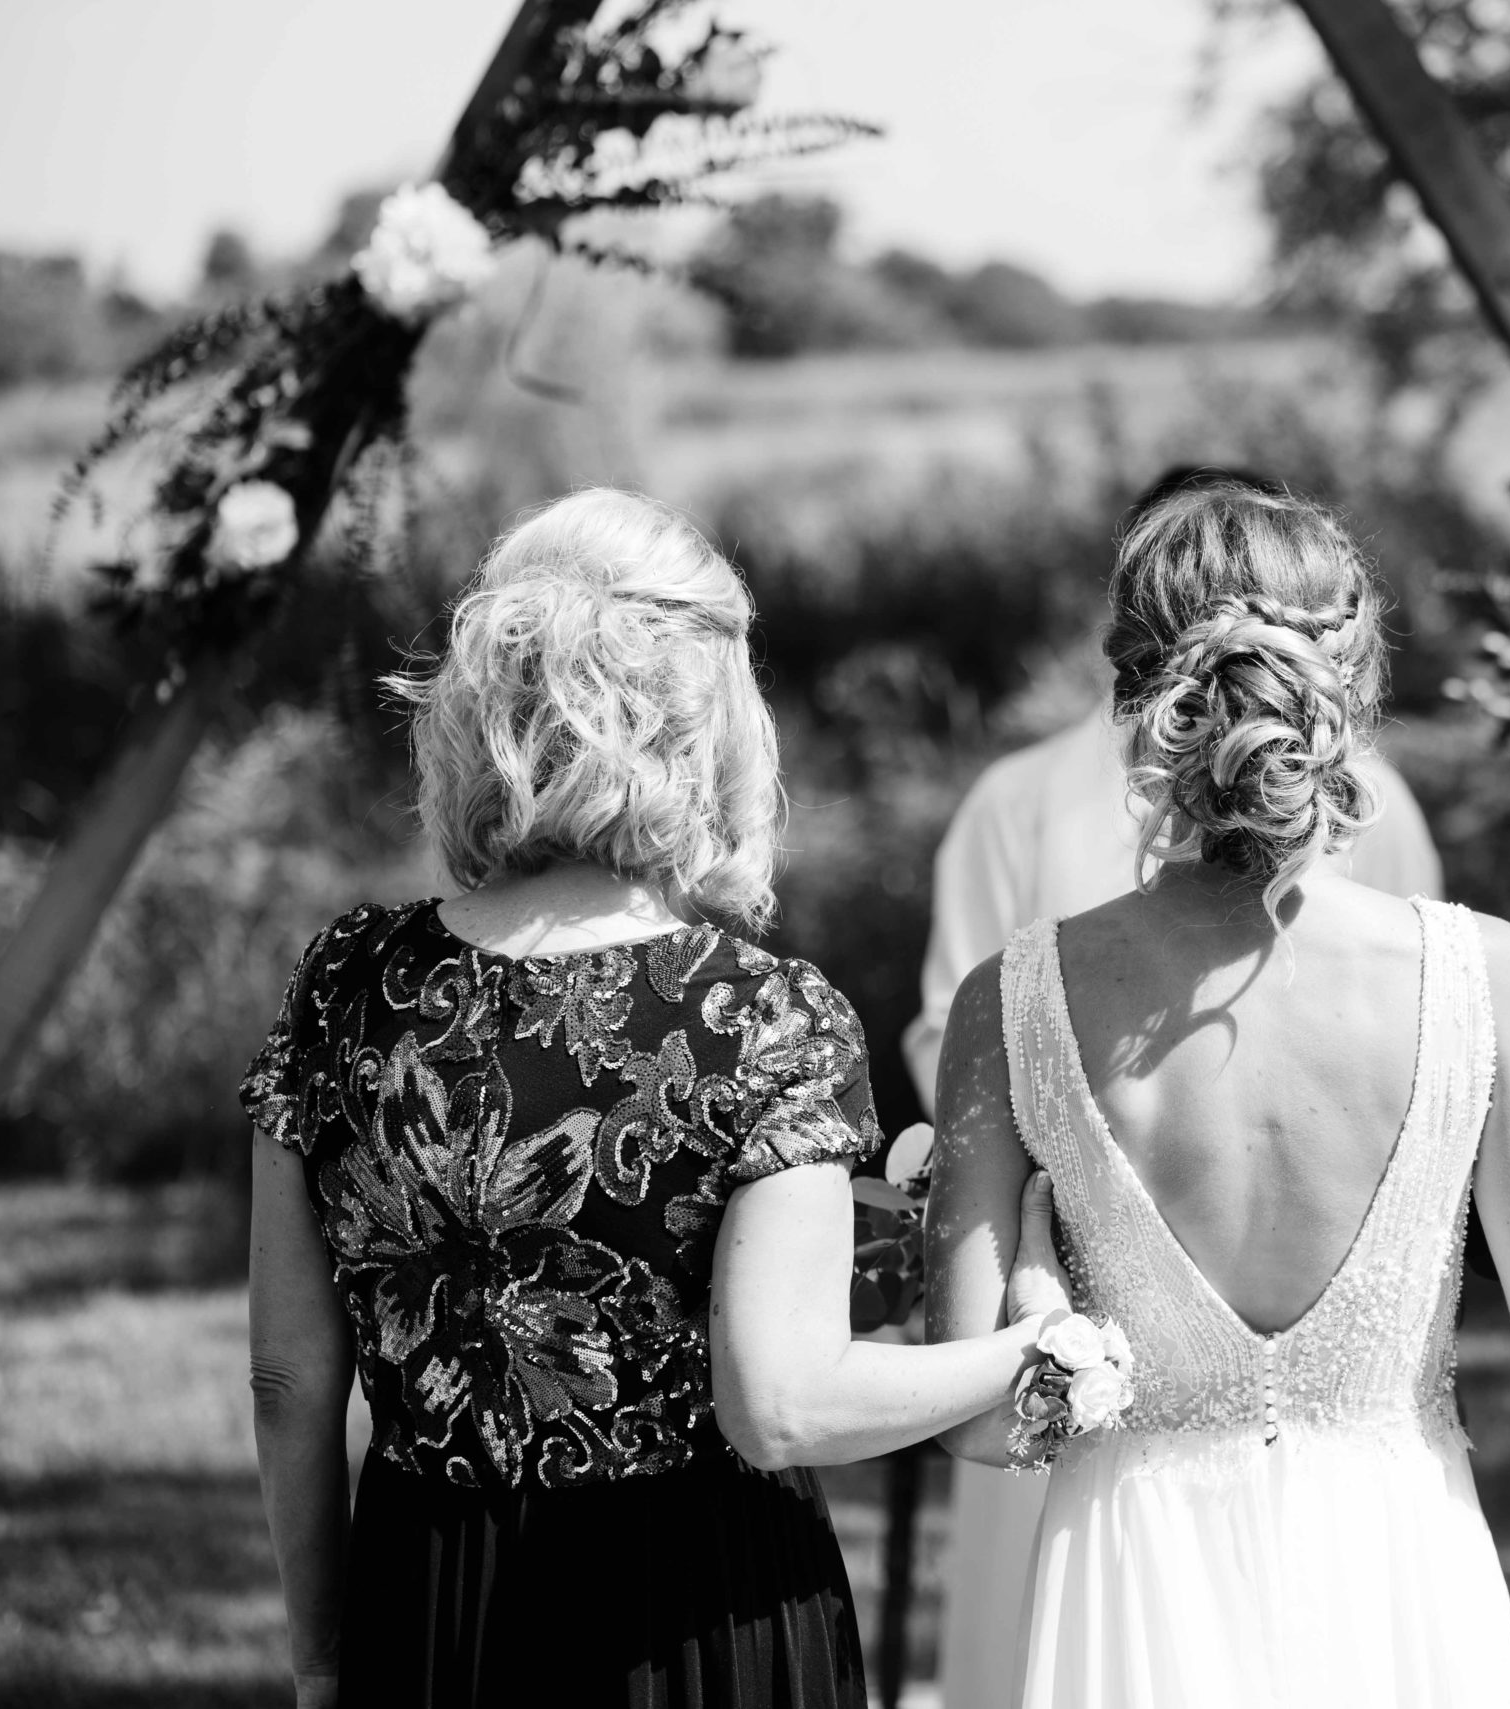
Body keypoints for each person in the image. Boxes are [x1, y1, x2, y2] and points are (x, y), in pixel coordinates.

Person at [242, 488, 1071, 1709]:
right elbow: (784, 1400)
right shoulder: (755, 1014)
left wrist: (323, 1657)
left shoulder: (347, 985)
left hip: (426, 1602)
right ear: (707, 720)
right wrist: (1028, 1354)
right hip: (698, 1610)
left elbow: (284, 1379)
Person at [925, 481, 1510, 1709]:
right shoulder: (1481, 977)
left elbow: (975, 1417)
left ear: (1132, 698)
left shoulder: (1017, 996)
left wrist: (1039, 1278)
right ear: (1356, 688)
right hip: (1396, 1571)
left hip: (1132, 1583)